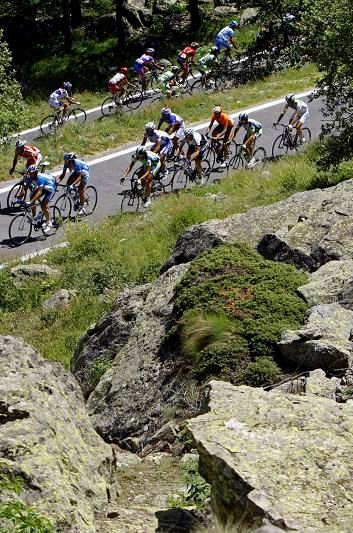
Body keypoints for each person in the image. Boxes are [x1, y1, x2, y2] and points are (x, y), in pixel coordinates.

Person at [25, 165, 57, 233]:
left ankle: (49, 222)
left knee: (43, 205)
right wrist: (21, 199)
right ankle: (34, 216)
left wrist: (31, 201)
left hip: (50, 188)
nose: (29, 174)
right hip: (43, 187)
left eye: (31, 173)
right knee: (32, 197)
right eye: (29, 173)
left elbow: (39, 192)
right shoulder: (31, 176)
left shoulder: (40, 178)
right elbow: (26, 187)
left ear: (35, 173)